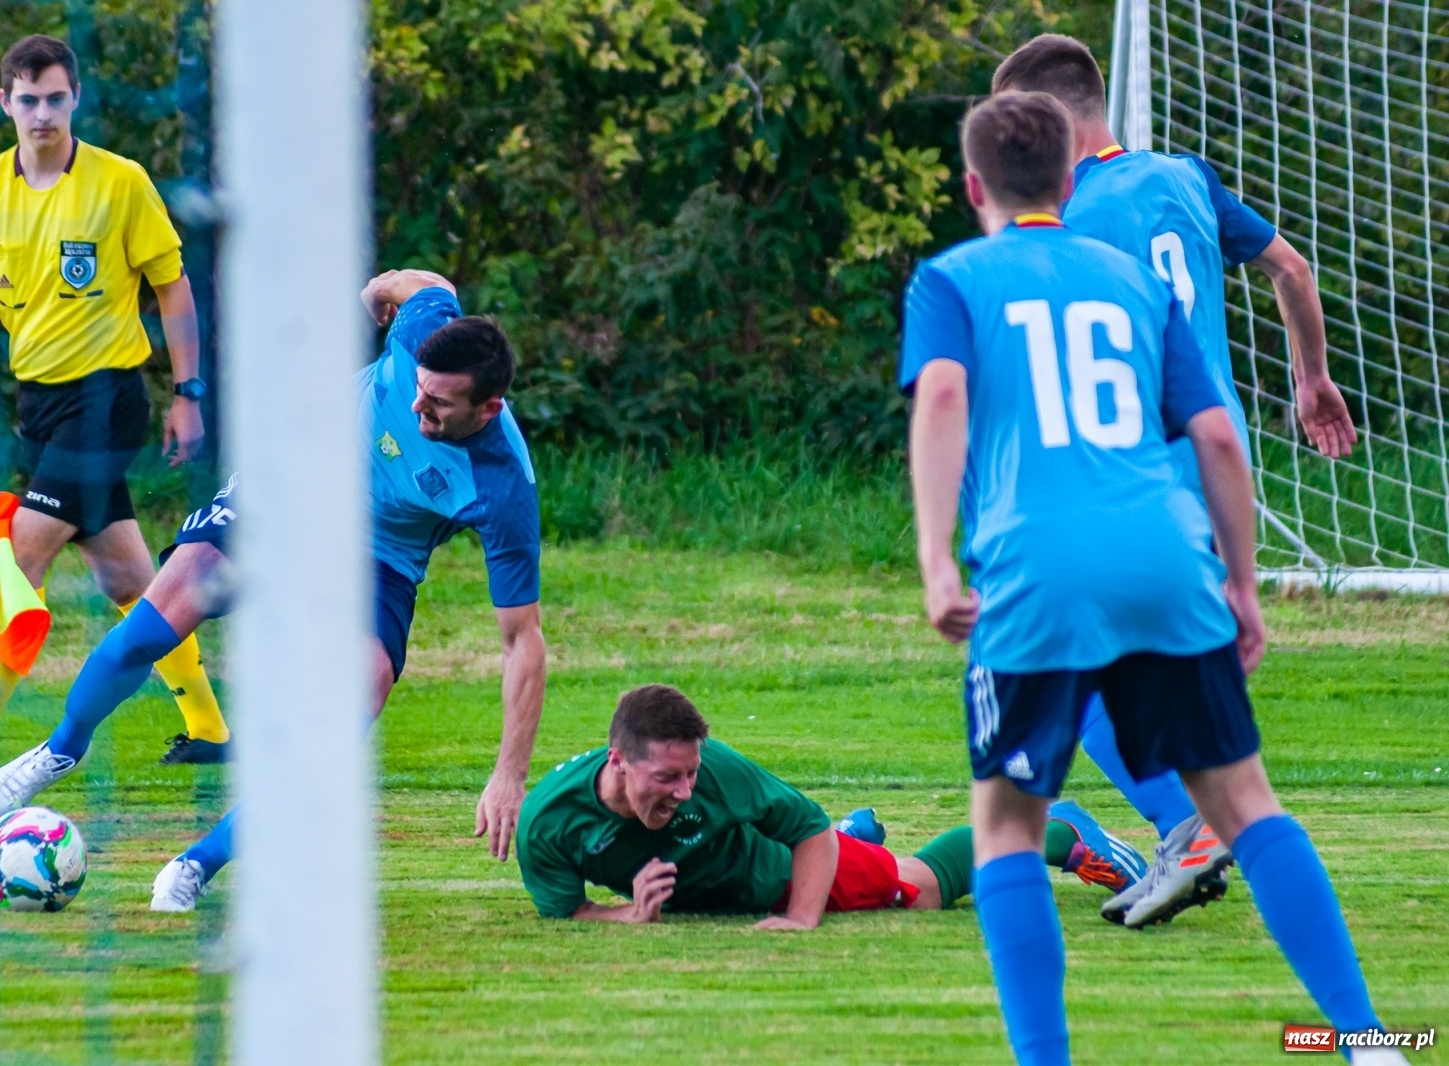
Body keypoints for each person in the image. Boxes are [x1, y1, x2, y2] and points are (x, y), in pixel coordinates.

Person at [902, 91, 1398, 1065]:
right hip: (1167, 558)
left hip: (1035, 573)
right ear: (1066, 174)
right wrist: (1244, 586)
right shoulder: (1132, 278)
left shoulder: (950, 279)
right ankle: (1365, 1040)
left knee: (1005, 828)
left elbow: (946, 395)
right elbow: (1214, 432)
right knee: (1248, 804)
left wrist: (933, 560)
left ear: (973, 188)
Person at [0, 269, 549, 912]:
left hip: (377, 560)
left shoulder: (503, 488)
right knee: (164, 611)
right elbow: (412, 281)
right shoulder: (425, 322)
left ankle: (196, 864)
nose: (418, 409)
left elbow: (522, 642)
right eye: (417, 391)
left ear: (488, 408)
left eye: (439, 406)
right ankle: (59, 749)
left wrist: (508, 775)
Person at [990, 33, 1359, 929]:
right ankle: (1200, 829)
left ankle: (1186, 822)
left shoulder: (1061, 214)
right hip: (1218, 462)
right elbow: (1291, 268)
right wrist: (1312, 376)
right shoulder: (1186, 177)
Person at [0, 34, 229, 772]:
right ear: (5, 103)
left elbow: (173, 288)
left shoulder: (121, 182)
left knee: (16, 556)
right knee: (129, 582)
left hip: (107, 401)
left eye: (56, 97)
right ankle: (209, 727)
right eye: (29, 99)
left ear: (76, 97)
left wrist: (187, 394)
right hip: (38, 407)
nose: (43, 112)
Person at [515, 684, 1144, 928]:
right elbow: (568, 910)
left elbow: (806, 829)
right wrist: (628, 915)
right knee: (857, 852)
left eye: (691, 774)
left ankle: (1060, 830)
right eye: (667, 778)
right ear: (617, 761)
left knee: (914, 886)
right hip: (722, 890)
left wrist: (801, 918)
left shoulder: (720, 771)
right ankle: (858, 836)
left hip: (776, 870)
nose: (684, 791)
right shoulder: (548, 823)